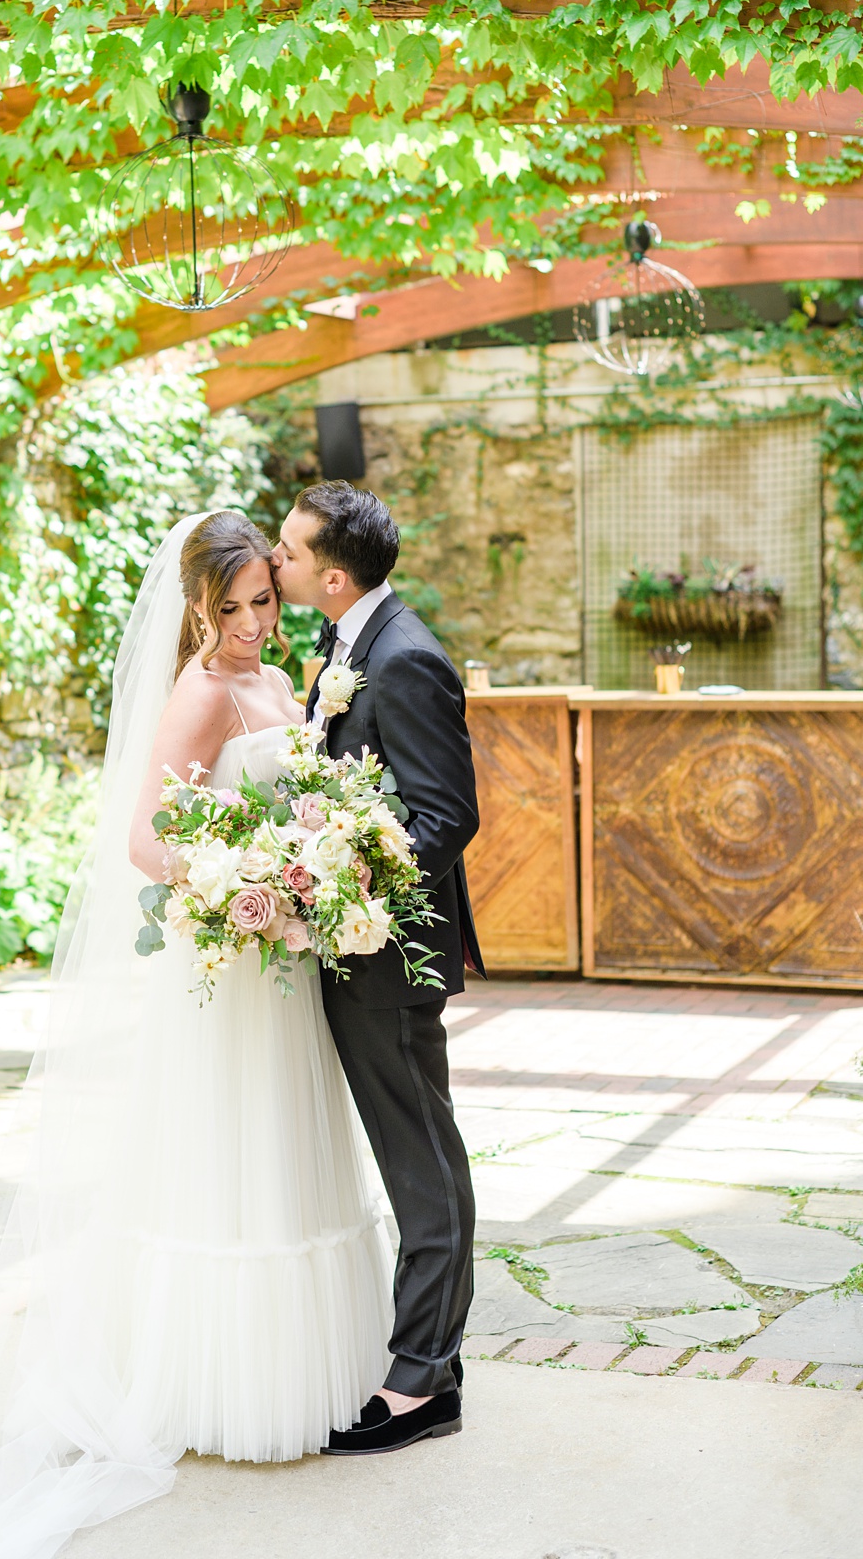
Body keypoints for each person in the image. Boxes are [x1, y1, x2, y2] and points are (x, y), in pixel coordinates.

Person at [0, 510, 395, 1559]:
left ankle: (309, 1371)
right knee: (230, 1151)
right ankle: (218, 1387)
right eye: (227, 609)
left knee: (292, 1144)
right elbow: (144, 837)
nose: (247, 624)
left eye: (261, 602)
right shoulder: (198, 694)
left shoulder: (282, 686)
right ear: (196, 609)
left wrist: (317, 851)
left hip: (287, 963)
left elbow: (301, 792)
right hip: (231, 957)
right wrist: (240, 876)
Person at [274, 479, 482, 1456]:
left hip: (389, 953)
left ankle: (420, 1383)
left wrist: (357, 900)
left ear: (332, 572)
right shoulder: (343, 645)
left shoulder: (405, 660)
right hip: (354, 943)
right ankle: (431, 1359)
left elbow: (445, 816)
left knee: (420, 1156)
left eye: (287, 550)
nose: (275, 562)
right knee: (411, 1150)